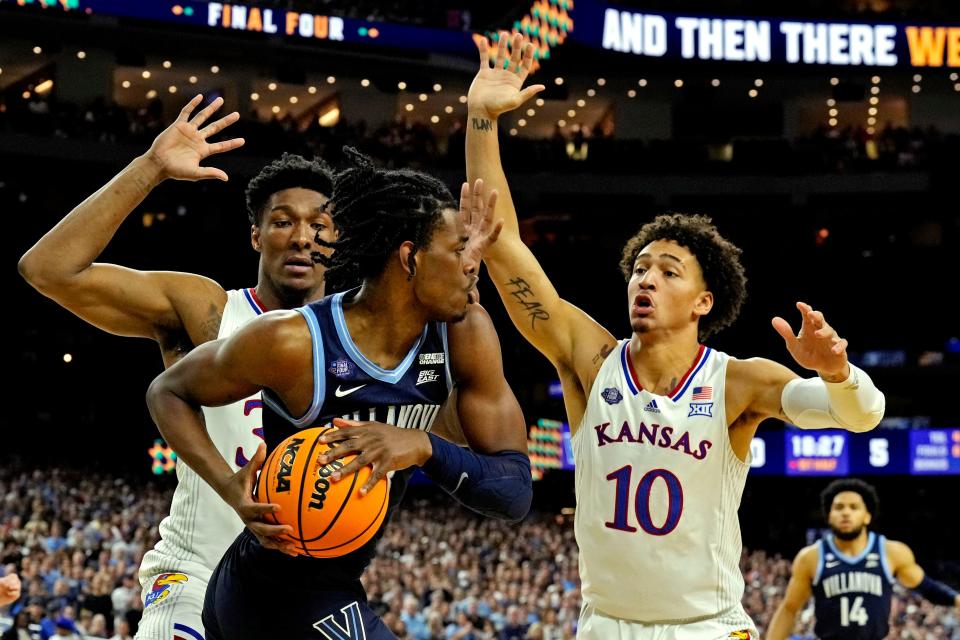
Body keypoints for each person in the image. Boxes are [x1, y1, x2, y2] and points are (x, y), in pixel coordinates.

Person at [465, 33, 886, 638]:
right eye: (639, 268)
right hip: (606, 625)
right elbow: (502, 243)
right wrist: (481, 119)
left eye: (668, 272)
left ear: (704, 301)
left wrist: (839, 373)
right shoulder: (592, 358)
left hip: (706, 627)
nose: (646, 279)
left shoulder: (739, 381)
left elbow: (860, 417)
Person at [146, 149, 532, 640]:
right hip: (271, 588)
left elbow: (515, 491)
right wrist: (227, 487)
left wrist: (424, 446)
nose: (473, 266)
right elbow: (168, 391)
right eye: (459, 250)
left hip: (336, 583)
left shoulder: (465, 331)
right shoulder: (293, 342)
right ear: (411, 258)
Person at [18, 94, 336, 640]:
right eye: (282, 222)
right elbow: (48, 269)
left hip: (303, 600)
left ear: (337, 239)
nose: (303, 236)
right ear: (257, 237)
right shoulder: (205, 308)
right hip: (197, 582)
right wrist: (150, 168)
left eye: (319, 224)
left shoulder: (358, 335)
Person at [768, 478, 960, 639]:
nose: (846, 512)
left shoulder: (891, 552)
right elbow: (789, 609)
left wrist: (955, 598)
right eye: (839, 507)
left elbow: (926, 586)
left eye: (854, 507)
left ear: (867, 516)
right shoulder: (811, 557)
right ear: (829, 516)